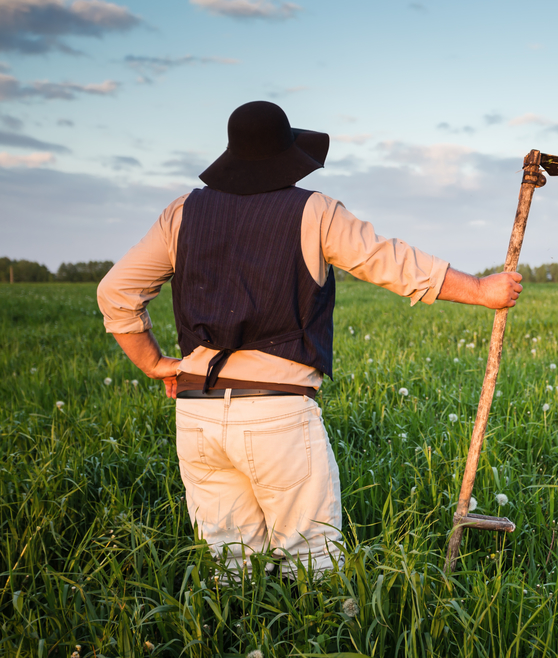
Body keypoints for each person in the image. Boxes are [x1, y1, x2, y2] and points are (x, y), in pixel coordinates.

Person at [97, 100, 522, 575]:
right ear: (288, 157)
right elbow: (393, 263)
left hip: (196, 414)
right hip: (275, 412)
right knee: (312, 567)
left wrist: (155, 364)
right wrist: (482, 290)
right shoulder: (313, 210)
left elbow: (116, 292)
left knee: (231, 567)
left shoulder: (182, 212)